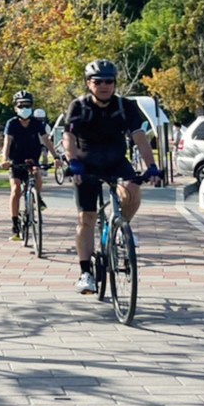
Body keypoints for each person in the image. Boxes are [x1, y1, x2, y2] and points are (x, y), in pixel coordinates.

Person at [64, 59, 160, 295]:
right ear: (89, 84)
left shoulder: (125, 106)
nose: (104, 86)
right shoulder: (78, 107)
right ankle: (85, 273)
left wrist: (152, 165)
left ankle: (119, 228)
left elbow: (139, 136)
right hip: (86, 165)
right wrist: (73, 162)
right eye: (98, 82)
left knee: (132, 190)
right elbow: (69, 138)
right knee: (86, 217)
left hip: (117, 162)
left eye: (109, 81)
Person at [0, 91, 54, 239]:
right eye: (21, 105)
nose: (24, 108)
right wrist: (5, 159)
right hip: (16, 161)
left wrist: (56, 157)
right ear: (15, 108)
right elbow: (7, 142)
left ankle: (37, 198)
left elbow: (46, 140)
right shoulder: (12, 124)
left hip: (32, 158)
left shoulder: (37, 123)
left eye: (27, 105)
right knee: (16, 189)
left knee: (37, 173)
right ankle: (15, 224)